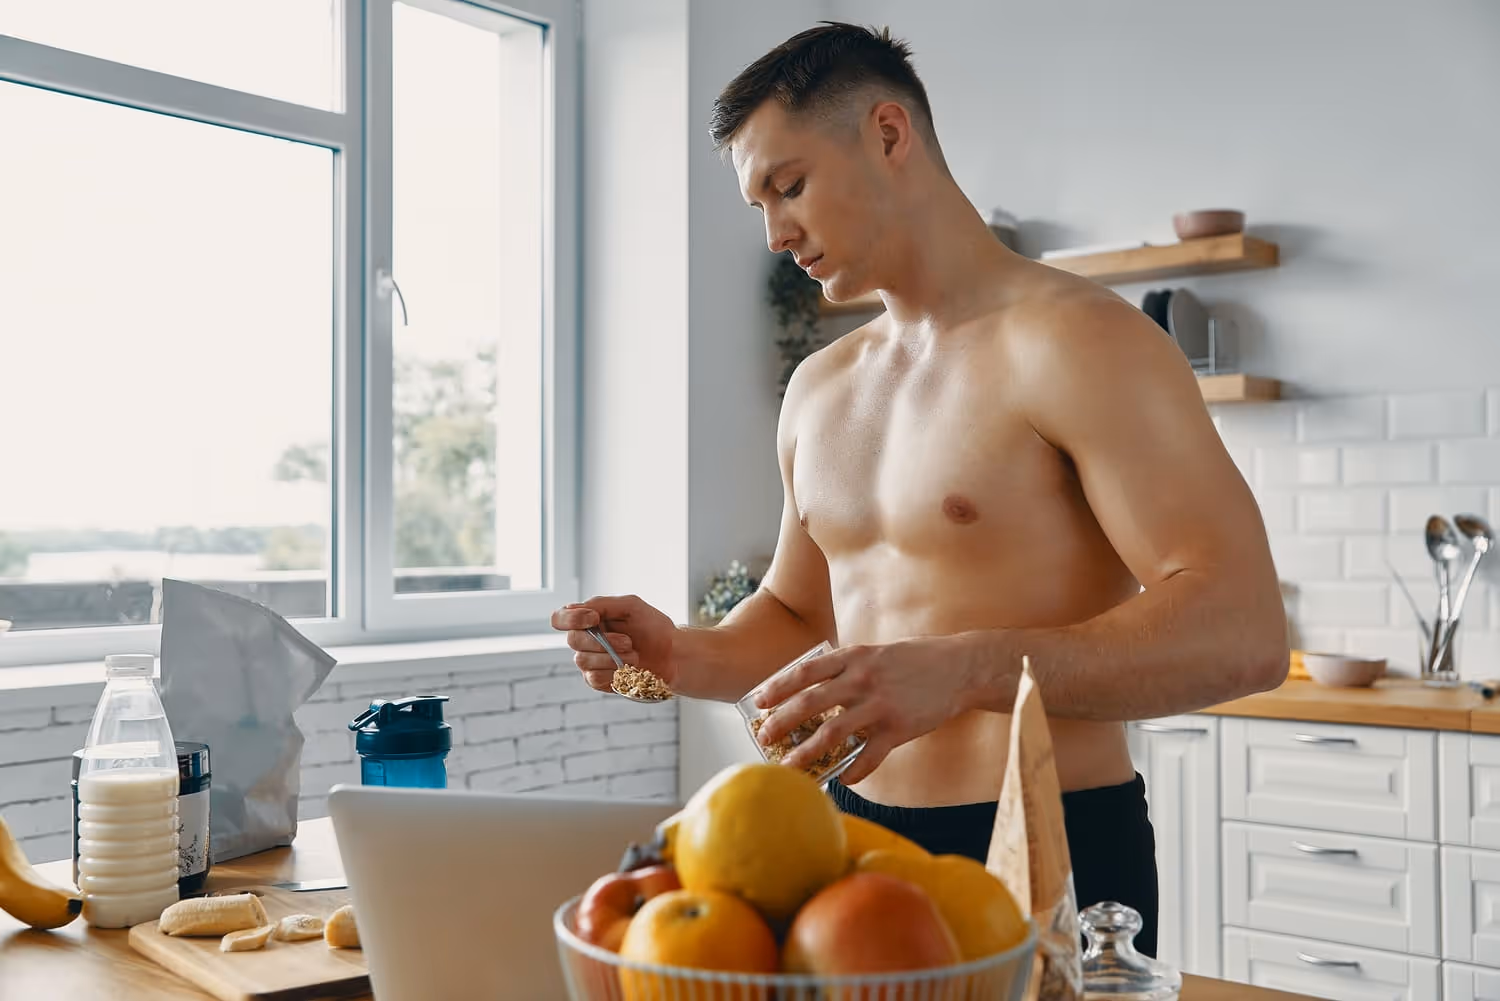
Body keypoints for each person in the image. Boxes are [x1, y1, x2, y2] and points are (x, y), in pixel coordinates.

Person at [552, 21, 1287, 957]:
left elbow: (1245, 630)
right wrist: (678, 657)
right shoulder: (820, 388)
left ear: (889, 134)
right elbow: (795, 611)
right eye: (759, 204)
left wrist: (965, 670)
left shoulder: (1077, 341)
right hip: (847, 847)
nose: (776, 231)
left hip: (1044, 842)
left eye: (790, 185)